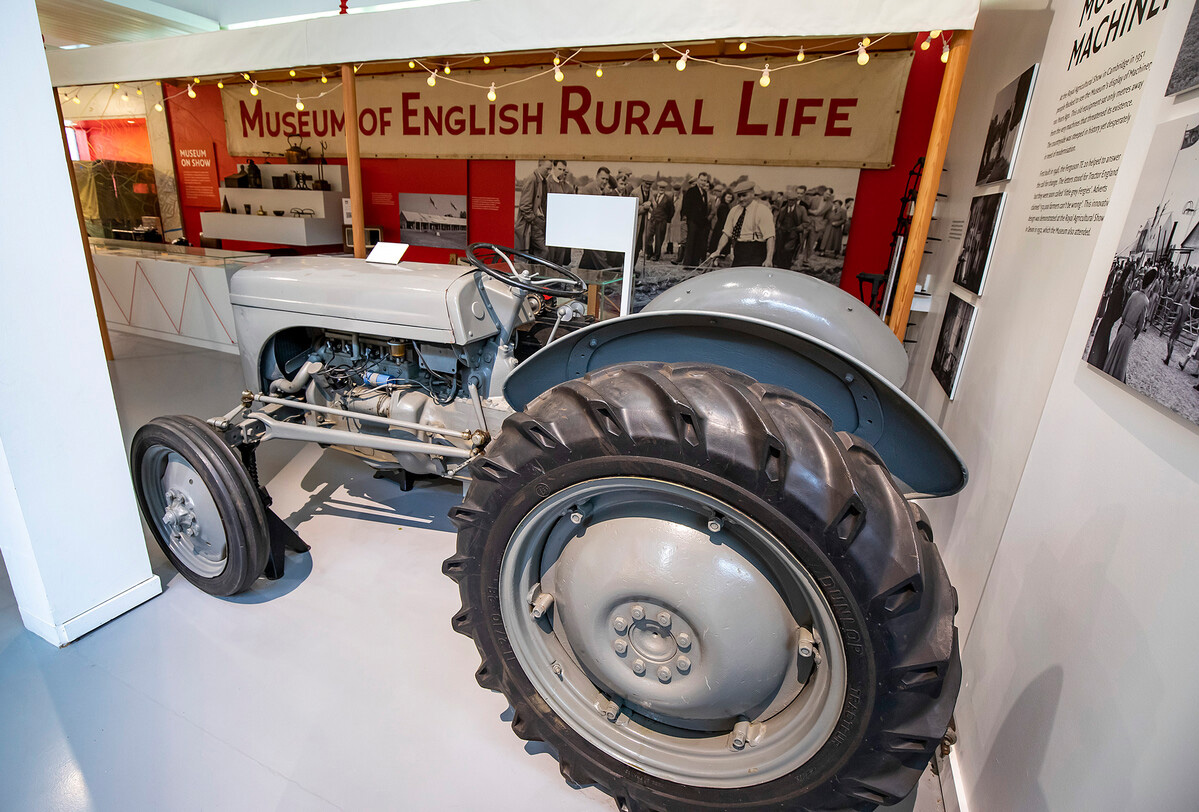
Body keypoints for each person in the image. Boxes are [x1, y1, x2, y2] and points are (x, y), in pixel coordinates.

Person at [1103, 269, 1154, 383]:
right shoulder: (1145, 301)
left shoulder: (1134, 294)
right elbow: (1141, 323)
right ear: (1150, 285)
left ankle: (1108, 369)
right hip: (1130, 331)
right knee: (1122, 357)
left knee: (1115, 351)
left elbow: (1125, 312)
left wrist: (1122, 324)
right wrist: (1137, 333)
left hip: (1124, 327)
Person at [709, 180, 775, 267]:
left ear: (752, 193)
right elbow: (726, 233)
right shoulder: (734, 211)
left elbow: (770, 237)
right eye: (739, 196)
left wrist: (769, 259)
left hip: (757, 250)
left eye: (744, 195)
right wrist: (718, 250)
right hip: (739, 249)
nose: (741, 199)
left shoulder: (762, 210)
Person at [1088, 261, 1131, 370]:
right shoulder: (1121, 290)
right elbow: (1117, 310)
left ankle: (1095, 360)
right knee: (1102, 341)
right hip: (1109, 319)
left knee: (1101, 340)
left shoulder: (1118, 287)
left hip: (1107, 319)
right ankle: (1096, 362)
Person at [1163, 268, 1199, 365]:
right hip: (1181, 325)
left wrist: (1174, 324)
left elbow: (1179, 317)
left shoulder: (1183, 306)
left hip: (1177, 324)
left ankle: (1168, 357)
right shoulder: (1188, 307)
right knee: (1173, 341)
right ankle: (1168, 357)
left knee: (1169, 341)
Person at [544, 159, 575, 266]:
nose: (561, 172)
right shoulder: (547, 183)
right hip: (551, 225)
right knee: (550, 257)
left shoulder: (566, 186)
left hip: (562, 226)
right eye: (559, 169)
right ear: (553, 168)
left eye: (563, 170)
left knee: (560, 257)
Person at [516, 159, 550, 253]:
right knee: (544, 251)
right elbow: (525, 206)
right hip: (531, 225)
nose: (549, 172)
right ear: (539, 166)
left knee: (535, 253)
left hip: (537, 224)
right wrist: (535, 221)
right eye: (547, 169)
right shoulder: (532, 180)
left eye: (550, 169)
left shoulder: (543, 181)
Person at [680, 172, 712, 267]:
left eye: (705, 181)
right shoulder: (691, 191)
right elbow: (686, 206)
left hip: (701, 222)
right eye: (701, 180)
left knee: (698, 242)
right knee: (691, 242)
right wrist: (688, 218)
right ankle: (687, 263)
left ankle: (694, 263)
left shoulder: (705, 193)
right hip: (693, 221)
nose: (703, 182)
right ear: (698, 180)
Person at [773, 188, 805, 271]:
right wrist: (779, 228)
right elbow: (778, 221)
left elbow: (806, 222)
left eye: (792, 200)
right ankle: (781, 267)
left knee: (788, 249)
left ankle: (787, 266)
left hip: (793, 234)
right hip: (782, 234)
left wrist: (798, 228)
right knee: (781, 250)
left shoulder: (801, 210)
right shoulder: (783, 209)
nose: (790, 202)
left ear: (795, 200)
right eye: (789, 200)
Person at [646, 180, 675, 261]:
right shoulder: (653, 196)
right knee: (648, 237)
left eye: (663, 187)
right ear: (657, 187)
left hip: (662, 221)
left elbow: (671, 210)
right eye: (660, 187)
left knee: (659, 239)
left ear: (665, 189)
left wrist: (666, 219)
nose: (661, 189)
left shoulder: (668, 199)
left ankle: (656, 255)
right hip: (652, 220)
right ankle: (649, 253)